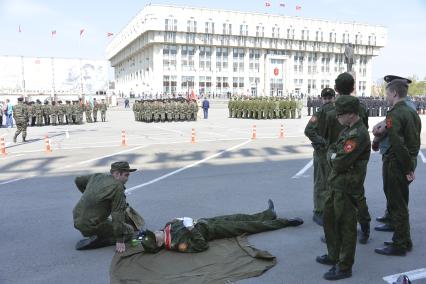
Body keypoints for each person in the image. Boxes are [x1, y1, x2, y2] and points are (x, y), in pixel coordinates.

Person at [317, 95, 371, 281]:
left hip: (347, 187)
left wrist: (333, 157)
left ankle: (345, 266)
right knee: (329, 221)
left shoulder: (358, 134)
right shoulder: (347, 130)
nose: (337, 118)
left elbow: (339, 162)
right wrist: (333, 156)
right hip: (336, 184)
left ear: (351, 114)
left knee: (346, 227)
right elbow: (332, 150)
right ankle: (334, 256)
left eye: (340, 114)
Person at [140, 200, 303, 253]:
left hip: (207, 221)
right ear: (159, 244)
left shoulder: (166, 229)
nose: (156, 232)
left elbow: (174, 222)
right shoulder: (176, 243)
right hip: (213, 230)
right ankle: (286, 222)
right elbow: (202, 246)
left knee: (240, 217)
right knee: (250, 225)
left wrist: (180, 219)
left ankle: (268, 214)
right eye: (155, 236)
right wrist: (190, 228)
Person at [374, 76, 421, 256]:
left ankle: (400, 243)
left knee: (397, 204)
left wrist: (407, 168)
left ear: (394, 93)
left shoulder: (395, 114)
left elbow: (398, 144)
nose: (386, 96)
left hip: (398, 163)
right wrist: (411, 164)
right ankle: (404, 239)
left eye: (387, 92)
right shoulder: (411, 111)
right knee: (400, 201)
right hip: (407, 160)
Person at [72, 162, 145, 253]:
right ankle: (101, 240)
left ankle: (94, 232)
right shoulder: (118, 187)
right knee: (129, 231)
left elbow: (78, 180)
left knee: (107, 221)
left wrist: (91, 197)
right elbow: (117, 214)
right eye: (126, 175)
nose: (127, 179)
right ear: (117, 174)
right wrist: (120, 240)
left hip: (77, 219)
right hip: (89, 225)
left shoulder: (98, 176)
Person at [304, 88, 336, 226]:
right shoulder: (338, 111)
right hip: (335, 152)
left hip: (322, 152)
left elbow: (308, 130)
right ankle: (330, 209)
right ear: (333, 97)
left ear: (322, 98)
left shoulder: (320, 112)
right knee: (331, 181)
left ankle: (319, 211)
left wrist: (322, 141)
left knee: (320, 182)